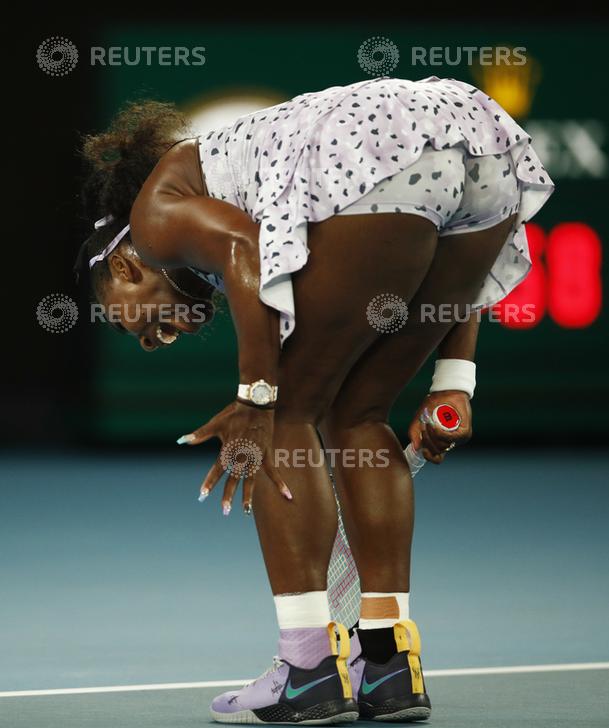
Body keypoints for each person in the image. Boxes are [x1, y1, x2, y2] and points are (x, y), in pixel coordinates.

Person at [75, 76, 554, 724]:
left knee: (286, 417)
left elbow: (243, 248)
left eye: (128, 320)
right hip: (479, 149)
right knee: (356, 415)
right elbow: (444, 270)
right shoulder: (225, 205)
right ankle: (386, 665)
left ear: (126, 266)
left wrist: (255, 400)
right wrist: (452, 384)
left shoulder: (152, 221)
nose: (149, 340)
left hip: (381, 139)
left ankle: (306, 670)